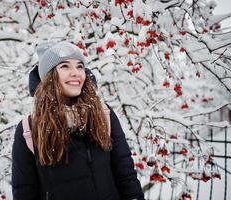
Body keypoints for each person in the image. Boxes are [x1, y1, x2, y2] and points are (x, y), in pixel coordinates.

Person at [12, 41, 145, 200]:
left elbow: (126, 176)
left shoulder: (103, 114)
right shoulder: (30, 128)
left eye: (80, 66)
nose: (76, 72)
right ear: (49, 77)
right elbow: (24, 191)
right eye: (65, 66)